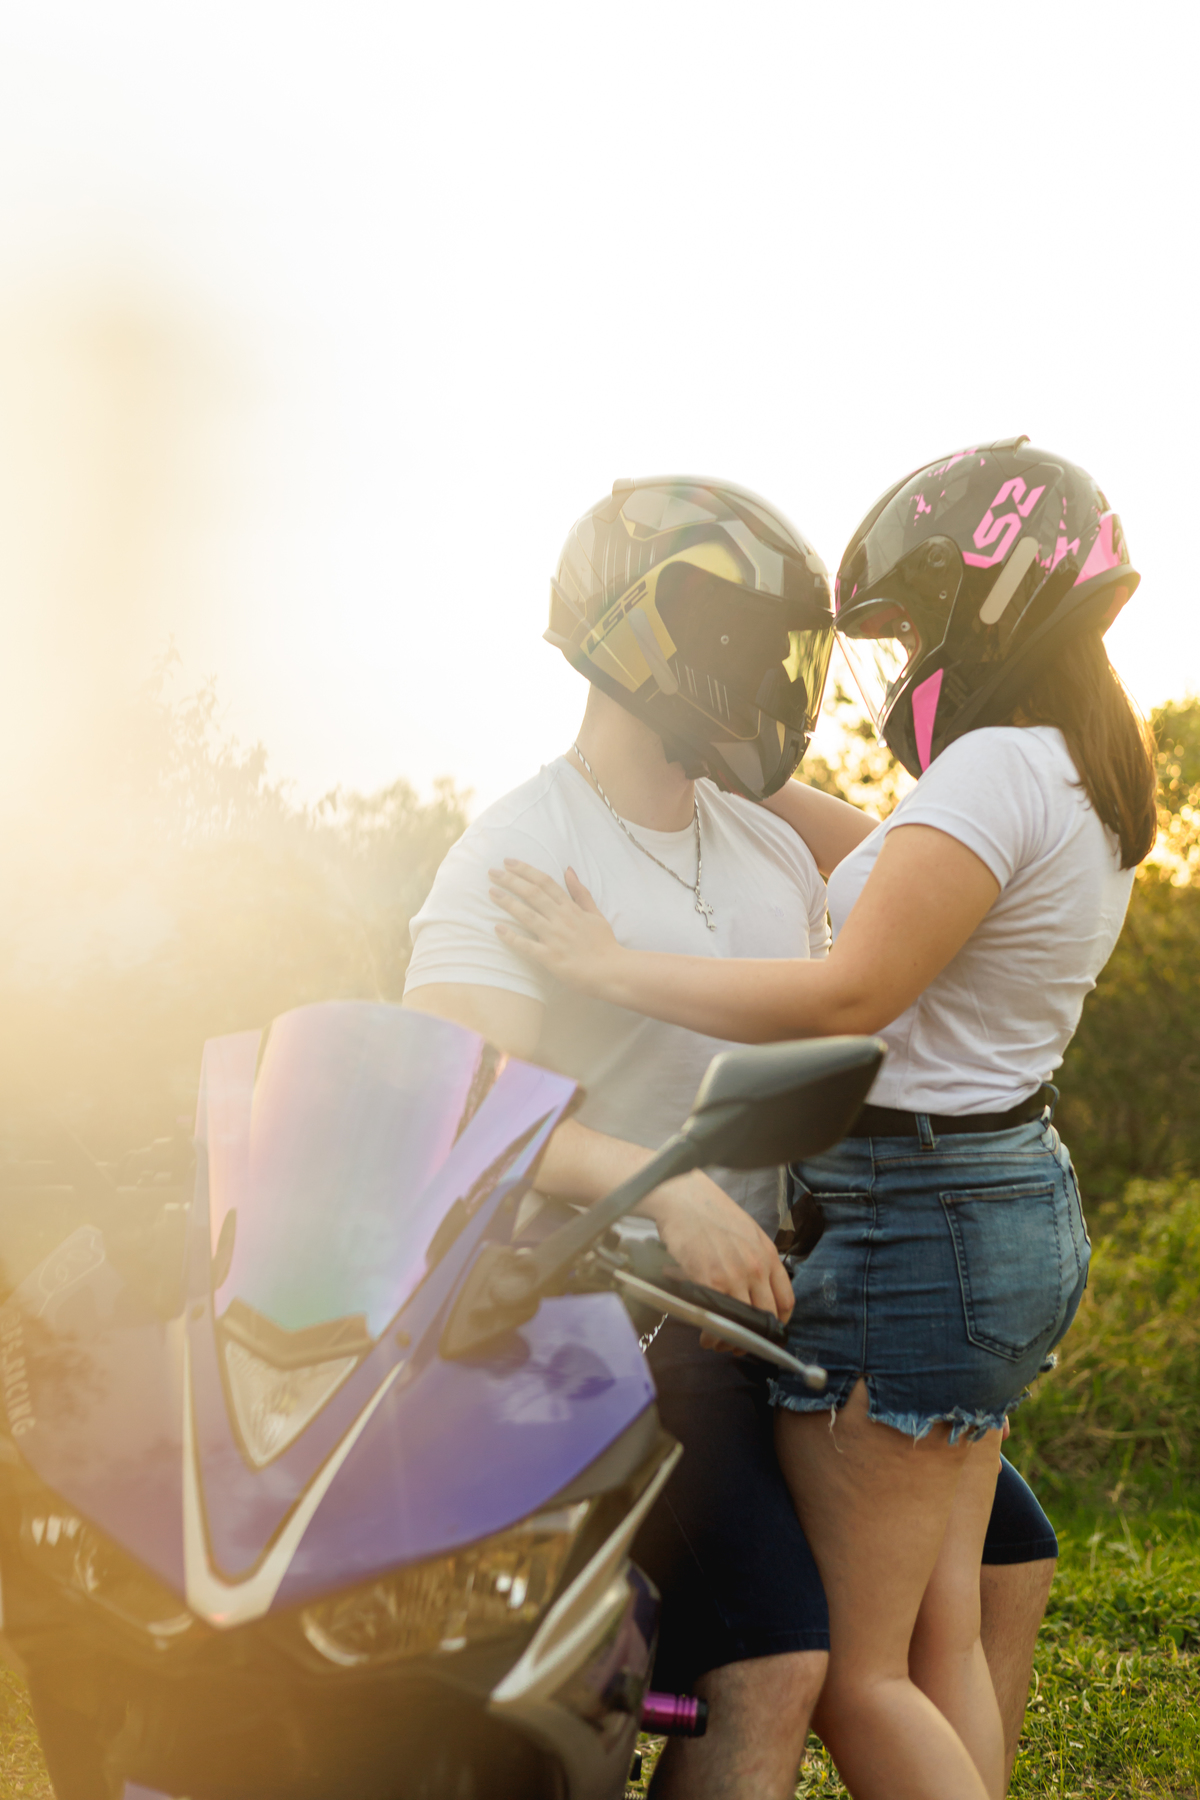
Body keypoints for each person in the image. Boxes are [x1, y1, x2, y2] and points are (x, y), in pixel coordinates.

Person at [489, 443, 1154, 1800]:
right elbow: (893, 865)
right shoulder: (1079, 774)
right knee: (942, 1630)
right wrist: (727, 752)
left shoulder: (987, 774)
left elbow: (849, 983)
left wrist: (611, 968)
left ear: (986, 601)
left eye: (910, 622)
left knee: (861, 1674)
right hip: (1006, 1206)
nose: (901, 656)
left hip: (918, 1227)